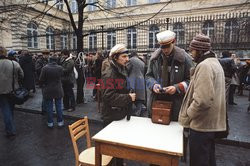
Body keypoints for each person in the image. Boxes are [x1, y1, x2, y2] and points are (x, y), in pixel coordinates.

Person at [178, 34, 227, 166]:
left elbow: (203, 100)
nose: (191, 53)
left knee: (199, 161)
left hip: (201, 126)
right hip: (210, 125)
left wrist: (189, 113)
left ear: (199, 50)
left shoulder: (204, 66)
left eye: (192, 50)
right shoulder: (214, 63)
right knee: (208, 160)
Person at [145, 30, 193, 121]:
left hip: (177, 105)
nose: (165, 50)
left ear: (174, 42)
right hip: (157, 102)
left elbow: (192, 80)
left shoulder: (185, 58)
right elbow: (148, 76)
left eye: (167, 46)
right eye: (162, 47)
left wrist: (177, 88)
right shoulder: (154, 58)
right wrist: (153, 85)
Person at [101, 44, 136, 166]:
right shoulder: (110, 73)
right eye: (124, 56)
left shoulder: (120, 68)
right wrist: (128, 97)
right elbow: (108, 97)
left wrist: (128, 91)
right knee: (111, 148)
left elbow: (119, 88)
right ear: (115, 57)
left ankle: (119, 162)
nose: (127, 59)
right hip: (111, 116)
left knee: (118, 145)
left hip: (118, 113)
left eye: (128, 56)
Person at [0, 46, 24, 137]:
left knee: (5, 109)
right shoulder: (14, 63)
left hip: (1, 92)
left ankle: (10, 129)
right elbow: (22, 75)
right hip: (13, 90)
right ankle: (10, 127)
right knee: (10, 109)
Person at [39, 55, 64, 128]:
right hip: (58, 89)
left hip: (48, 89)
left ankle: (50, 123)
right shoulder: (60, 68)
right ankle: (60, 122)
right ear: (56, 61)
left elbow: (41, 79)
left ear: (50, 60)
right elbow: (62, 76)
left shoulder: (45, 68)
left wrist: (43, 85)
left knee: (49, 107)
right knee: (59, 107)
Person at [127, 51, 146, 117]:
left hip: (132, 81)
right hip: (141, 81)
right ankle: (138, 112)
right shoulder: (142, 62)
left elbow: (126, 70)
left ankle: (131, 113)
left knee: (131, 96)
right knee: (139, 98)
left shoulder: (130, 60)